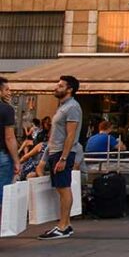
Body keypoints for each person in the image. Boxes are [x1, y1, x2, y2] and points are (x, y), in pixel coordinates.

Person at [37, 75, 83, 241]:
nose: (56, 87)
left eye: (60, 85)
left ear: (69, 89)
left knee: (64, 188)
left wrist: (63, 158)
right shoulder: (63, 107)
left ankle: (63, 226)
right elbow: (55, 135)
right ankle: (65, 224)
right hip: (56, 152)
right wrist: (44, 158)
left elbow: (71, 135)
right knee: (61, 188)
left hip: (62, 153)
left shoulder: (72, 107)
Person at [0, 77, 19, 219]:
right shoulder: (6, 109)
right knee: (2, 192)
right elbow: (9, 137)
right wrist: (17, 160)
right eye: (6, 89)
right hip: (2, 156)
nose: (9, 93)